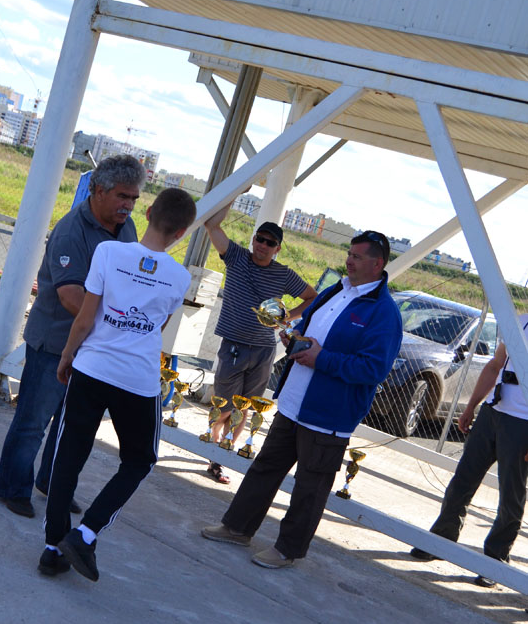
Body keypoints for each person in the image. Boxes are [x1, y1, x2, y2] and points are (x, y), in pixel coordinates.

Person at [201, 231, 403, 569]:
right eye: (349, 253)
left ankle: (288, 550)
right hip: (293, 405)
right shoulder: (336, 290)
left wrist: (321, 358)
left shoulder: (384, 313)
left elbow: (374, 369)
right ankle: (237, 527)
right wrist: (294, 337)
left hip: (327, 417)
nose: (349, 261)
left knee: (310, 487)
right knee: (265, 469)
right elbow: (308, 329)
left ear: (377, 263)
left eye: (357, 256)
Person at [38, 187, 196, 580]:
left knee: (68, 454)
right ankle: (86, 533)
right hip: (136, 379)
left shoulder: (108, 253)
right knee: (139, 460)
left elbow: (86, 317)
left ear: (148, 213)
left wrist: (68, 355)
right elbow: (157, 325)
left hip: (92, 367)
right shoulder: (180, 277)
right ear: (181, 232)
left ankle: (52, 547)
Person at [0, 154, 146, 518]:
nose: (128, 205)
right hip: (55, 342)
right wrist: (118, 324)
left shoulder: (126, 229)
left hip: (93, 346)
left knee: (71, 425)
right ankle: (13, 488)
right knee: (33, 422)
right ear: (98, 190)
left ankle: (52, 482)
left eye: (133, 198)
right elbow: (70, 296)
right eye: (122, 196)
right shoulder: (70, 232)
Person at [410, 314, 528, 587]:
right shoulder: (520, 321)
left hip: (522, 424)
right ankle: (441, 540)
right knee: (462, 480)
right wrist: (473, 405)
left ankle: (495, 561)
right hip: (492, 412)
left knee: (511, 494)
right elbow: (496, 365)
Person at [202, 206, 317, 484]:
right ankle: (211, 446)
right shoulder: (236, 256)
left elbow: (313, 297)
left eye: (270, 242)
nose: (263, 245)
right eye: (260, 239)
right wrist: (234, 196)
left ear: (277, 248)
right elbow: (212, 227)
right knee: (224, 406)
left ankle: (220, 458)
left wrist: (287, 317)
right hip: (233, 345)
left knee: (246, 408)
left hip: (264, 350)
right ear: (253, 239)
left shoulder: (283, 274)